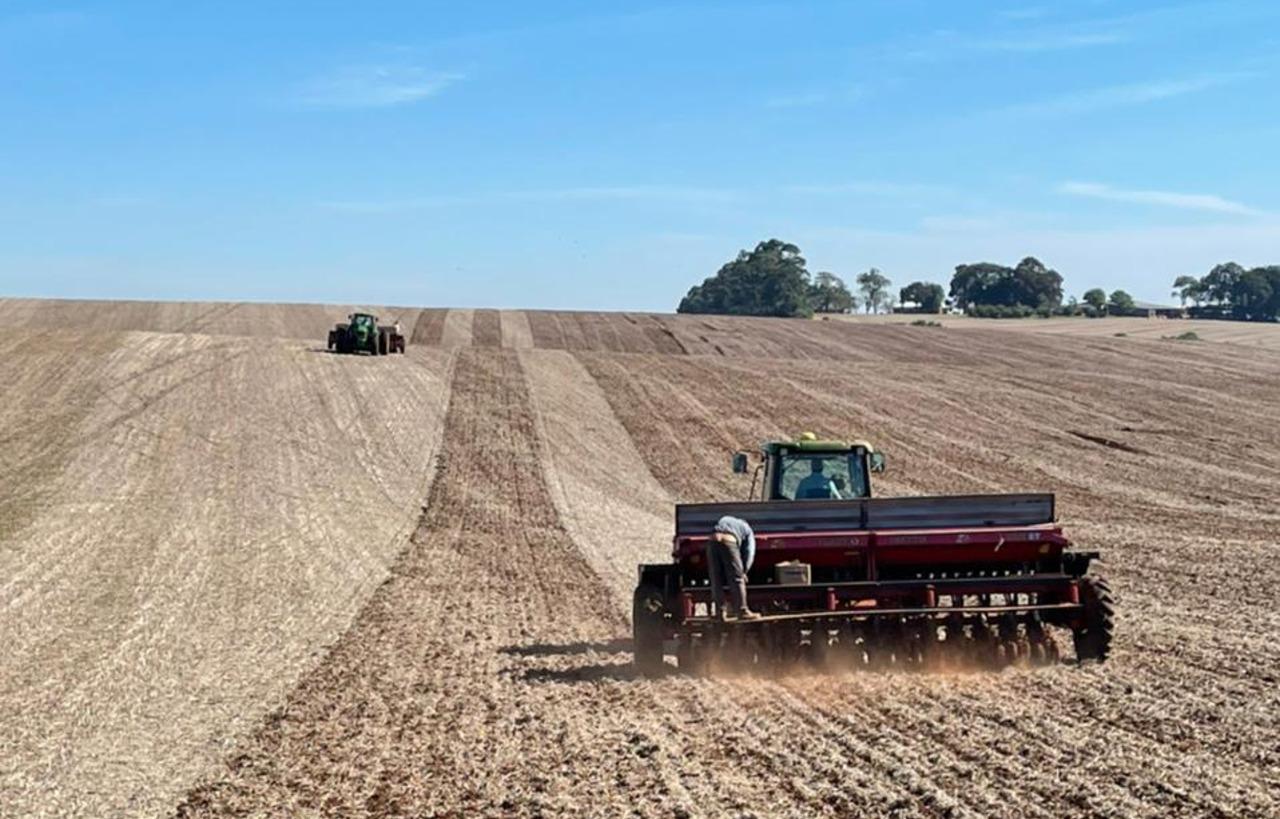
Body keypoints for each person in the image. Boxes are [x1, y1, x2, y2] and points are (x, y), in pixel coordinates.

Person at [707, 515, 760, 621]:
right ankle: (742, 611)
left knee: (716, 579)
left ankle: (719, 612)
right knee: (737, 578)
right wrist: (744, 571)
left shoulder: (726, 519)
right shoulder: (748, 530)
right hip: (729, 540)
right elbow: (749, 552)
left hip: (712, 541)